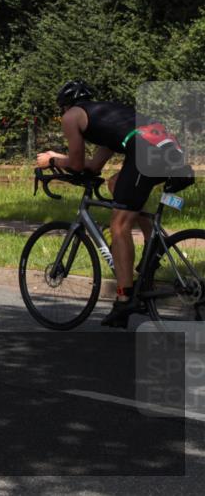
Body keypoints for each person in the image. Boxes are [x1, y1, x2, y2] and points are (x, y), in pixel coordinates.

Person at [36, 79, 191, 328]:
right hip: (169, 150)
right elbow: (92, 167)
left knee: (119, 226)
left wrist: (53, 160)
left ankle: (125, 297)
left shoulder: (71, 117)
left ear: (65, 106)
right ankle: (155, 247)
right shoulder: (105, 117)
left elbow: (75, 164)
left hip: (146, 153)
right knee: (115, 185)